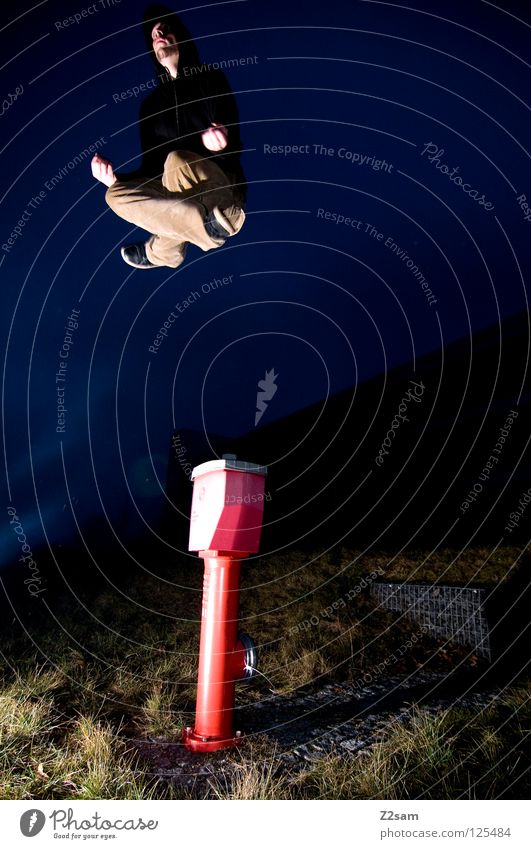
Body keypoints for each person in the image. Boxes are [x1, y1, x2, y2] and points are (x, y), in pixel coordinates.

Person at [91, 4, 246, 269]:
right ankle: (212, 226)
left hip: (217, 184)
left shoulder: (209, 79)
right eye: (153, 35)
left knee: (176, 160)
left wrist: (221, 135)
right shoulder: (150, 108)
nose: (159, 34)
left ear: (180, 37)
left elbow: (226, 120)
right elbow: (151, 169)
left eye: (164, 29)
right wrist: (115, 179)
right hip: (183, 199)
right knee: (114, 195)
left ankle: (162, 250)